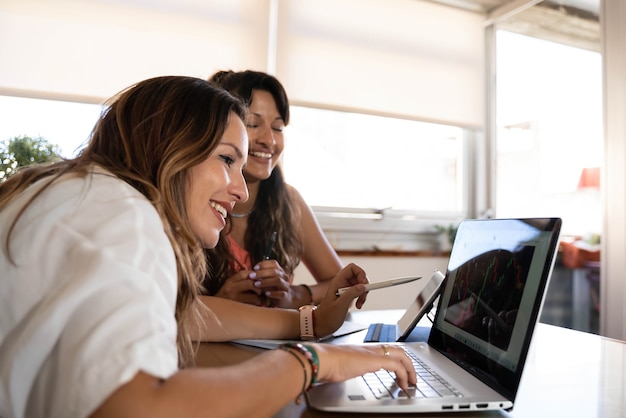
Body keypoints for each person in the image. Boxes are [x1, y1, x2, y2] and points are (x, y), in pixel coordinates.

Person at [0, 75, 416, 418]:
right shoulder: (128, 216)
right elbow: (137, 408)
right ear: (172, 146)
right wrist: (310, 362)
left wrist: (307, 324)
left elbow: (181, 316)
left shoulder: (72, 194)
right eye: (226, 159)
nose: (238, 190)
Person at [204, 69, 342, 308]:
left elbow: (343, 286)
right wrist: (220, 303)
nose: (269, 140)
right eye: (252, 123)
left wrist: (294, 295)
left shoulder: (289, 202)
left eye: (278, 128)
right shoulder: (196, 199)